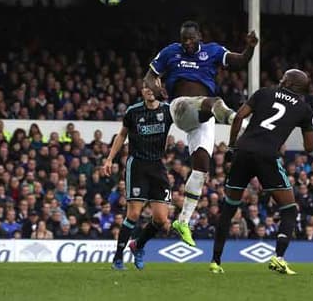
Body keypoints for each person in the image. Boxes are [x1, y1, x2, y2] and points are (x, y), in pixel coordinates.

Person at [144, 20, 258, 246]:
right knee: (215, 103)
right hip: (181, 106)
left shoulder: (212, 51)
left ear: (199, 37)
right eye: (183, 39)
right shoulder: (170, 52)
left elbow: (240, 61)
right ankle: (241, 124)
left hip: (203, 117)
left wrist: (250, 47)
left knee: (202, 169)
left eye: (191, 39)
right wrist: (156, 89)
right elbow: (149, 77)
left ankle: (183, 221)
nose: (187, 43)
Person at [210, 69, 313, 275]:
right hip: (267, 155)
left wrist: (232, 147)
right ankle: (279, 257)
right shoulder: (304, 109)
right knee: (290, 209)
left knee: (229, 207)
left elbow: (239, 116)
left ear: (289, 83)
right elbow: (310, 147)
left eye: (284, 77)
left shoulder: (264, 93)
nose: (281, 78)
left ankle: (215, 261)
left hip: (243, 151)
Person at [104, 85, 173, 270]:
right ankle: (118, 258)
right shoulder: (133, 112)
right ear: (142, 91)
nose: (149, 90)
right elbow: (122, 135)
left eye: (153, 87)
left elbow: (186, 118)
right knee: (134, 213)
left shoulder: (168, 110)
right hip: (138, 166)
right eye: (146, 87)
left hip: (157, 166)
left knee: (160, 219)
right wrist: (110, 158)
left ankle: (138, 245)